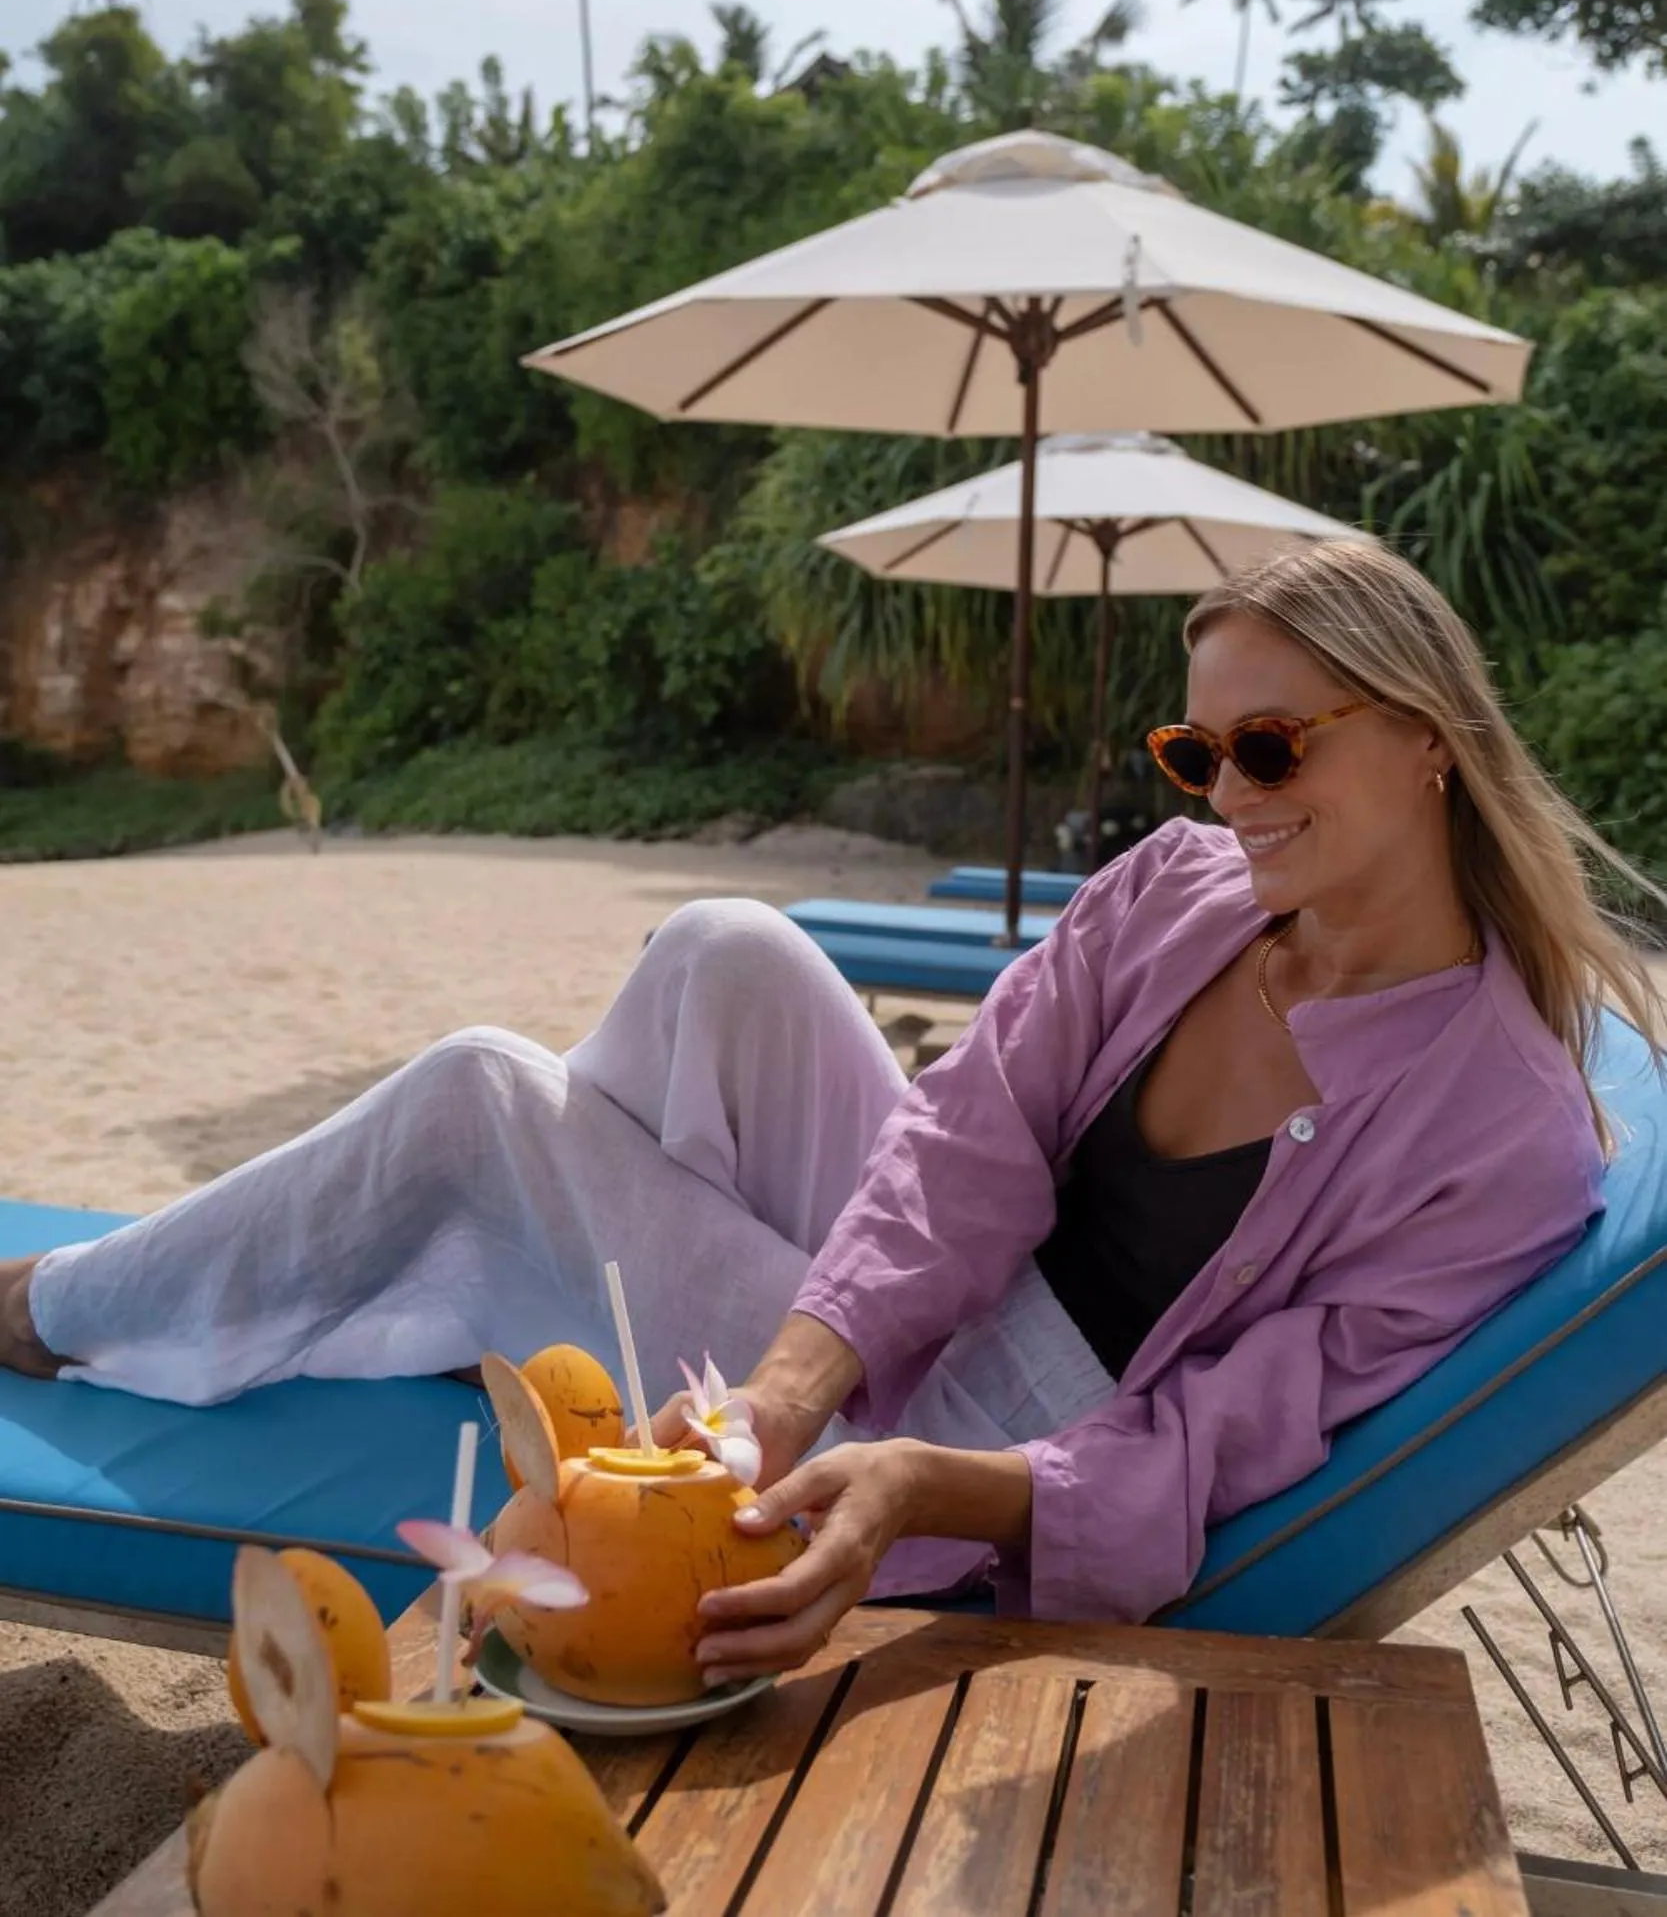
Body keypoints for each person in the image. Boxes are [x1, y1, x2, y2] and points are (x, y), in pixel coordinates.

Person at [3, 539, 1659, 1686]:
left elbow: (1213, 1445)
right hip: (918, 1315)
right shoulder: (1184, 886)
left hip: (1004, 1433)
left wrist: (915, 1481)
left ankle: (59, 1310)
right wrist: (792, 1388)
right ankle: (532, 1291)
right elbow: (969, 1134)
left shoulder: (1498, 1140)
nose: (1226, 794)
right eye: (1192, 750)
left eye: (1272, 745)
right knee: (727, 948)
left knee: (481, 1101)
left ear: (1430, 739)